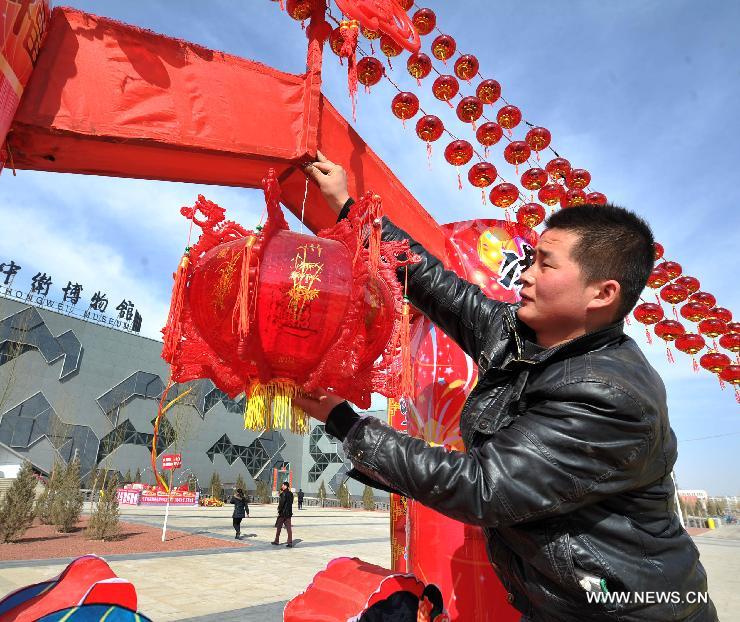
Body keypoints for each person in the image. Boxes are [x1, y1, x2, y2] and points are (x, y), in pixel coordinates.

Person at [295, 153, 717, 622]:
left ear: (602, 293)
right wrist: (352, 210)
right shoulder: (520, 335)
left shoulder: (607, 393)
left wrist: (344, 422)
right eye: (531, 259)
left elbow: (482, 488)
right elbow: (438, 288)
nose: (527, 275)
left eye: (545, 264)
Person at [273, 481, 294, 548]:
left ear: (285, 486)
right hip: (289, 514)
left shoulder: (283, 494)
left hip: (282, 514)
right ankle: (290, 542)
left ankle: (276, 541)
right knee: (288, 528)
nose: (282, 486)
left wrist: (279, 510)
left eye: (283, 485)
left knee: (279, 527)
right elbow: (291, 503)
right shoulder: (291, 494)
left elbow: (282, 503)